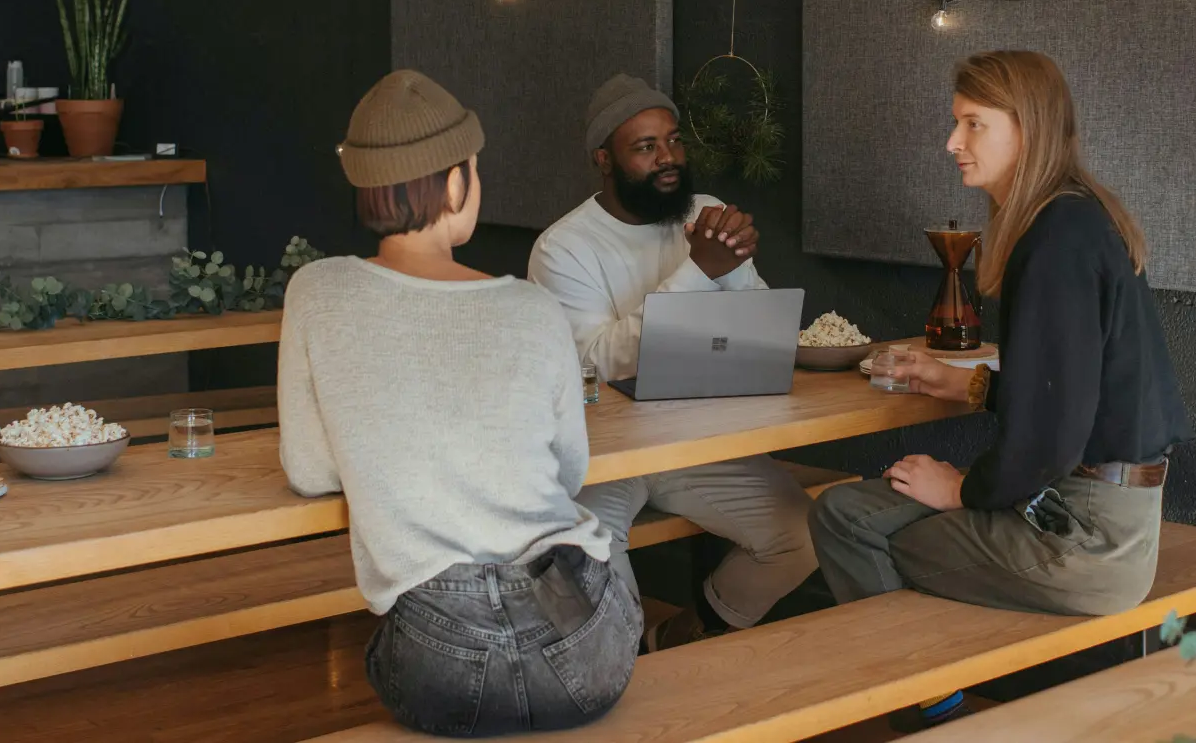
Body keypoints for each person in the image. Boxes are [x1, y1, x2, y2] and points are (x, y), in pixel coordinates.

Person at [809, 51, 1190, 731]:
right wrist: (969, 384)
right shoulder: (1081, 217)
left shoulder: (1052, 242)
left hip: (1082, 542)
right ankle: (941, 694)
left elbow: (1050, 438)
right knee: (862, 507)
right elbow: (1074, 391)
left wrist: (963, 491)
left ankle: (937, 716)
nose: (951, 142)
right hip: (1114, 519)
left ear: (1027, 127)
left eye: (972, 123)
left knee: (846, 518)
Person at [280, 70, 639, 737]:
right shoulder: (533, 308)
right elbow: (569, 472)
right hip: (588, 647)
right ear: (453, 184)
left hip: (438, 664)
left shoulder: (316, 292)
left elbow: (309, 471)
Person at [529, 73, 817, 649]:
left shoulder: (705, 213)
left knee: (804, 535)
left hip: (697, 441)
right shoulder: (563, 248)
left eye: (673, 141)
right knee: (587, 552)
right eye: (645, 147)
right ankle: (625, 665)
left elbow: (759, 326)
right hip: (604, 454)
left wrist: (728, 271)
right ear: (604, 160)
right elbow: (594, 364)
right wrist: (698, 271)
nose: (668, 158)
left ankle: (685, 636)